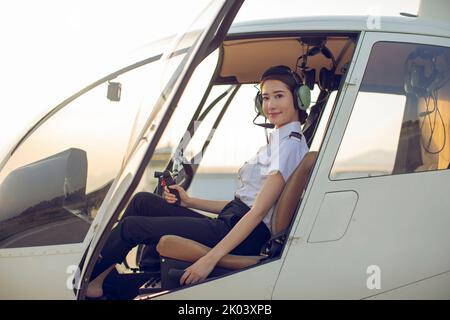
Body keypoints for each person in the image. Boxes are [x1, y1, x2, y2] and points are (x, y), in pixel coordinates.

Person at [86, 65, 309, 298]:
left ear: (299, 100)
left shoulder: (289, 146)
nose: (270, 105)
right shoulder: (279, 143)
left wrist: (209, 260)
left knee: (131, 228)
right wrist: (189, 201)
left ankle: (87, 282)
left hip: (243, 235)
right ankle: (102, 277)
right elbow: (242, 204)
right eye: (265, 98)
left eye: (279, 96)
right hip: (233, 222)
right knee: (143, 202)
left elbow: (256, 213)